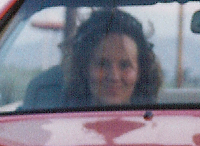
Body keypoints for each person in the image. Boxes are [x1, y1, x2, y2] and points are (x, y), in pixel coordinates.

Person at [24, 8, 162, 108]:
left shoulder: (158, 130)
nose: (114, 76)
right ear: (83, 68)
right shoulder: (58, 124)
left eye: (125, 65)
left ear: (140, 72)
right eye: (102, 64)